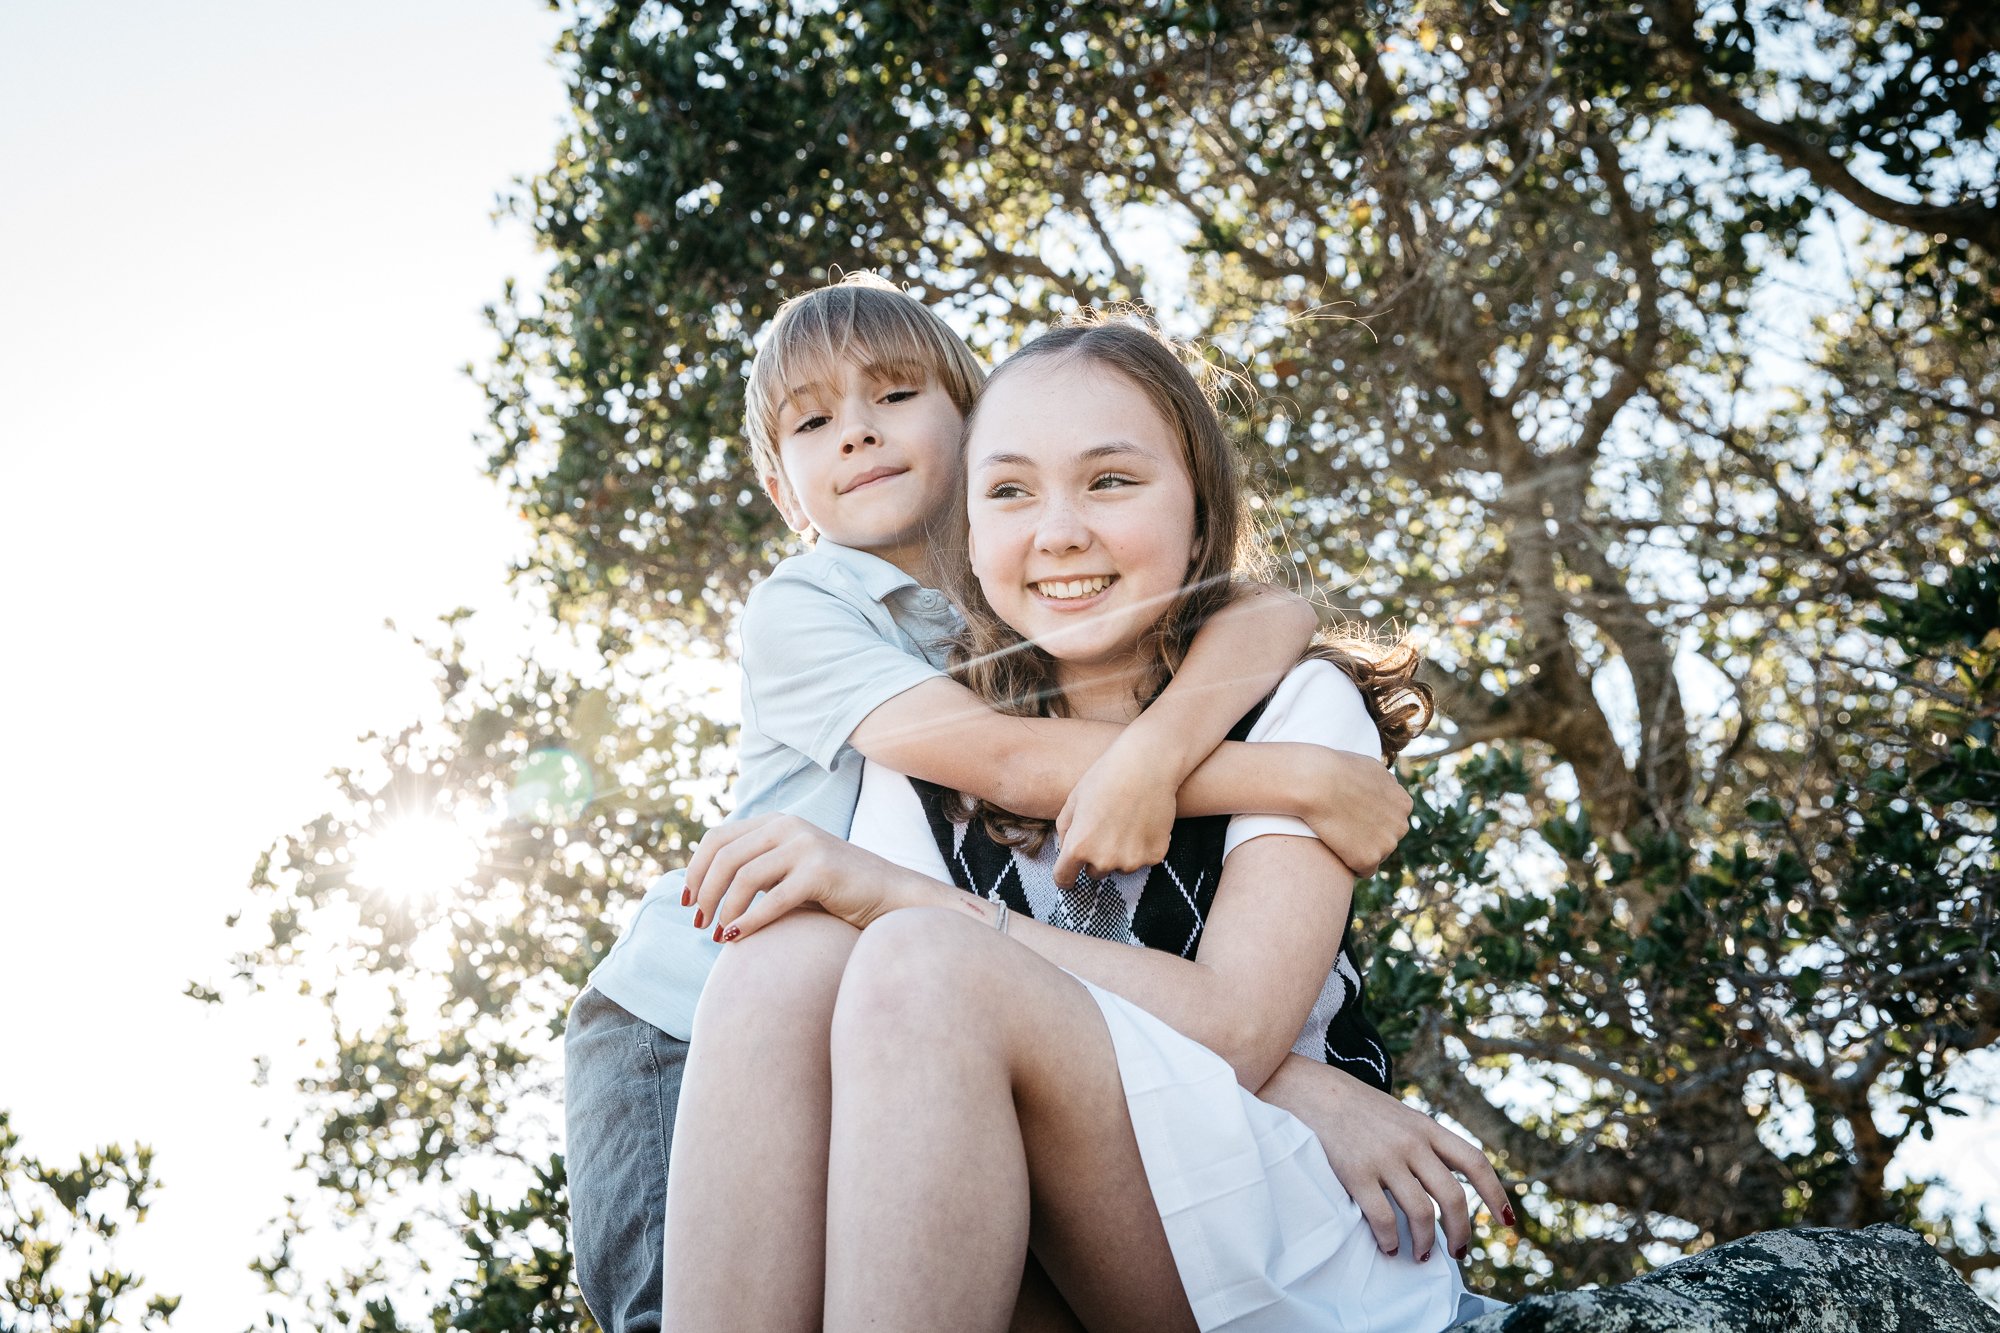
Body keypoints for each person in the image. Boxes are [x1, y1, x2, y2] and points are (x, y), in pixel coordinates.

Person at [562, 276, 1424, 1331]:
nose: (857, 437)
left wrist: (1289, 1068)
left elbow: (1265, 608)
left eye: (1106, 479)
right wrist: (1276, 777)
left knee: (909, 956)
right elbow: (1013, 765)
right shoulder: (827, 625)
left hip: (1160, 1156)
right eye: (816, 422)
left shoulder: (1238, 679)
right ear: (786, 497)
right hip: (682, 1005)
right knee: (796, 952)